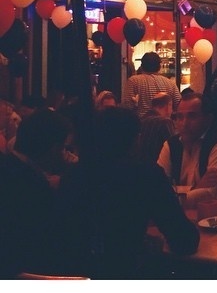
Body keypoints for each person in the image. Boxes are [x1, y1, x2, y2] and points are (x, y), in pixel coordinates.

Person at [55, 106, 199, 279]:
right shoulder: (145, 174)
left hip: (74, 274)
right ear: (136, 139)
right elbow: (184, 241)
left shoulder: (74, 174)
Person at [0, 109, 75, 277]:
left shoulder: (8, 167)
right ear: (53, 148)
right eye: (63, 147)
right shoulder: (33, 187)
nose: (65, 155)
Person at [157, 90, 217, 207]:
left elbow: (212, 195)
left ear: (208, 119)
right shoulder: (171, 145)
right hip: (184, 219)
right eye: (179, 117)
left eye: (192, 116)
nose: (184, 123)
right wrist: (196, 188)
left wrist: (174, 197)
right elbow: (157, 188)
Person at [122, 51, 181, 118]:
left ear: (142, 66)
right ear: (159, 67)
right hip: (164, 124)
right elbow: (179, 106)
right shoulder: (170, 83)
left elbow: (127, 107)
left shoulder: (133, 81)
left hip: (142, 125)